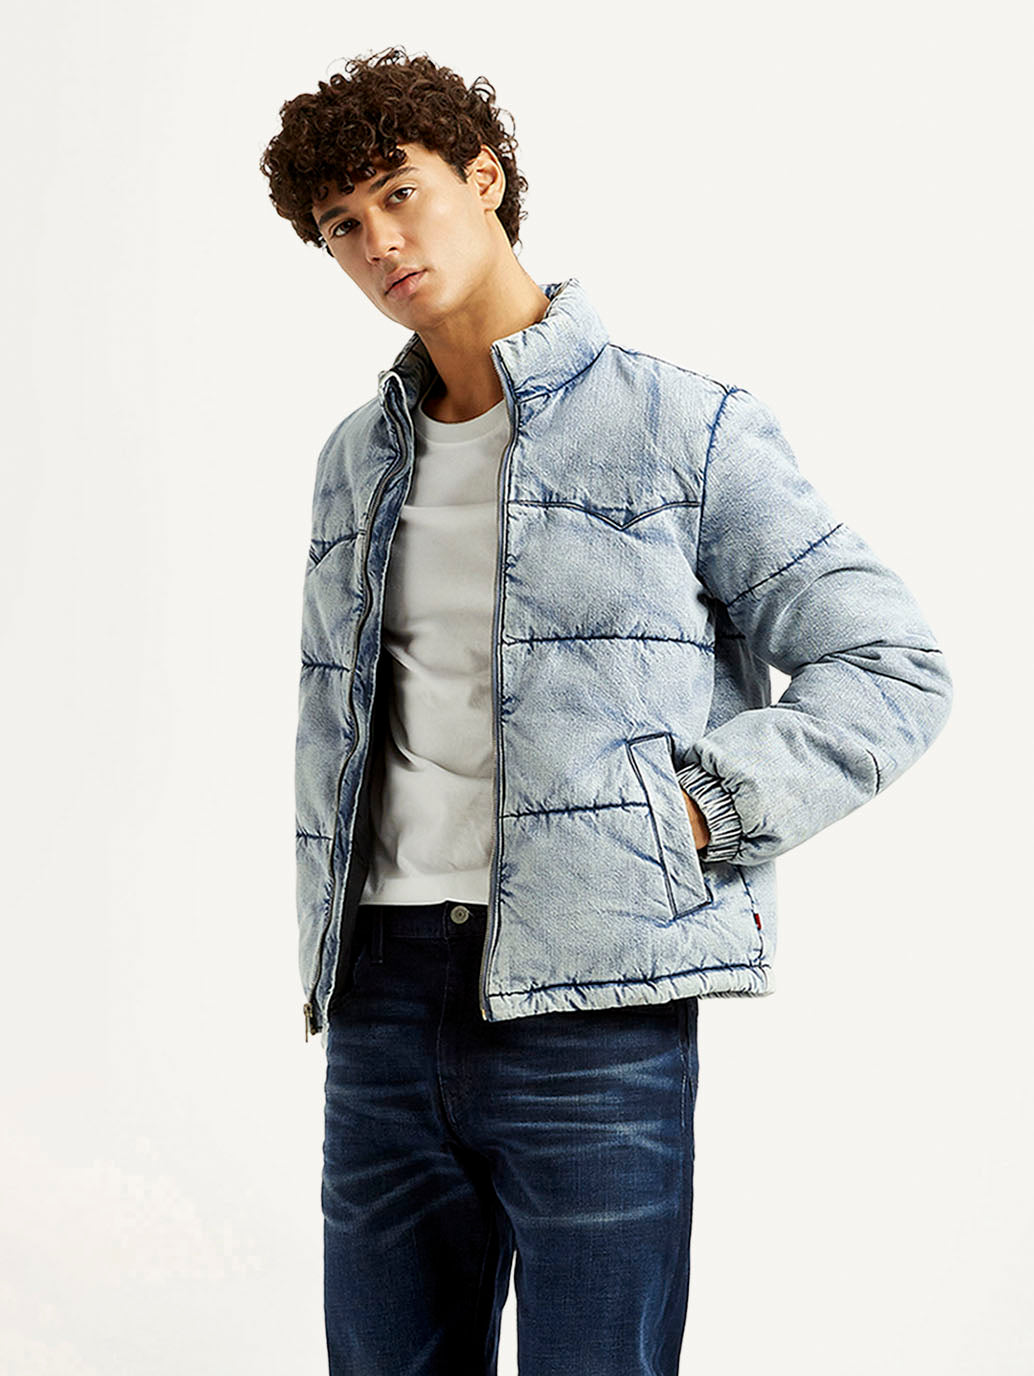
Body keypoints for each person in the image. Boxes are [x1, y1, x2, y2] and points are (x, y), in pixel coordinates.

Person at [260, 45, 953, 1376]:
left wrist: (696, 812)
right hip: (381, 997)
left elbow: (891, 663)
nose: (378, 243)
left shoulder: (683, 425)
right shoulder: (356, 458)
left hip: (595, 1001)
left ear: (484, 176)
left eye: (399, 193)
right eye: (341, 225)